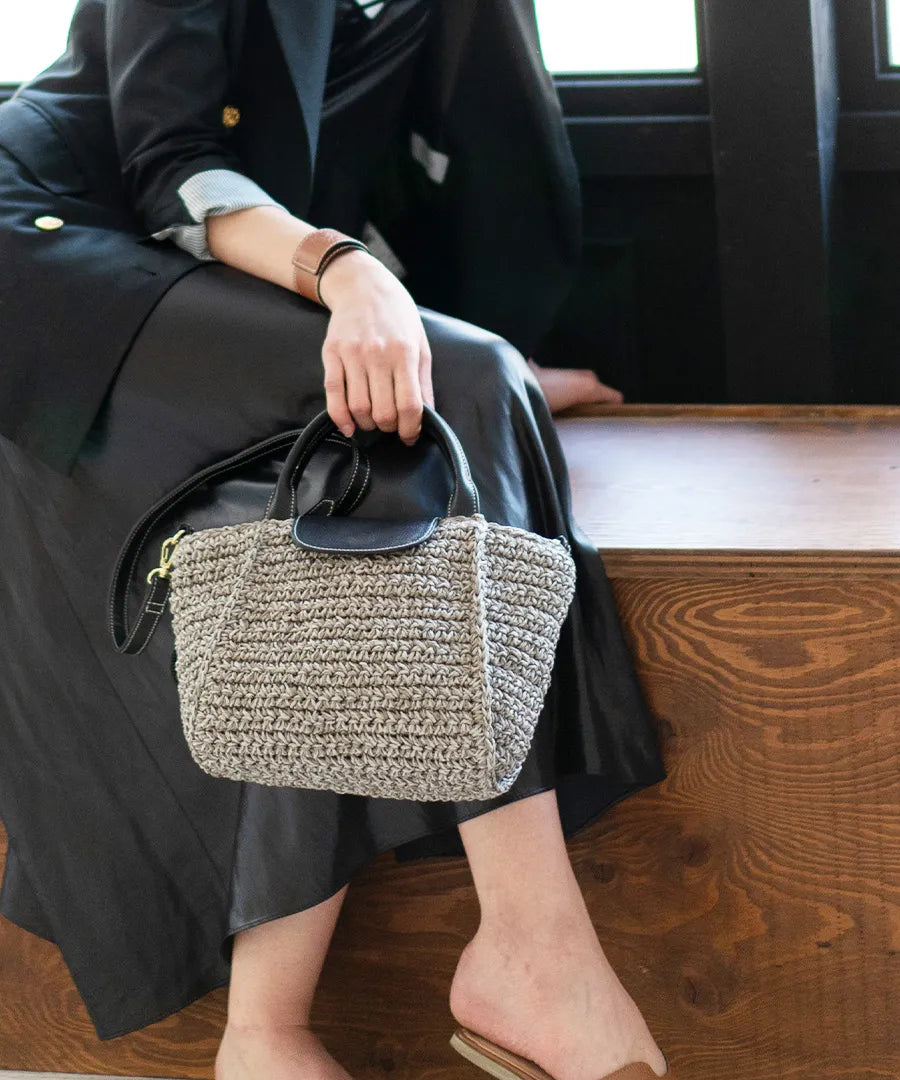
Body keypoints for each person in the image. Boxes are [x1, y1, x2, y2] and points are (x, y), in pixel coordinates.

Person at [0, 1, 671, 1077]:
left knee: (374, 479)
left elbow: (444, 162)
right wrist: (354, 279)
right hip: (47, 255)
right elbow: (171, 162)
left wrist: (453, 347)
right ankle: (534, 954)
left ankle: (267, 1037)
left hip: (218, 287)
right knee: (451, 400)